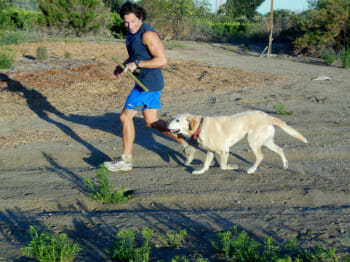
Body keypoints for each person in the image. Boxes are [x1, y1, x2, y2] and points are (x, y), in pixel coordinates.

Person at [104, 2, 196, 172]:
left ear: (140, 18)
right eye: (126, 22)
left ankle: (125, 161)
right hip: (147, 82)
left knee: (125, 117)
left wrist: (137, 63)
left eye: (133, 21)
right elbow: (136, 55)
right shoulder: (131, 33)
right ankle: (186, 144)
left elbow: (162, 61)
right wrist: (124, 65)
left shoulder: (148, 35)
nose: (130, 25)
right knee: (152, 121)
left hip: (147, 84)